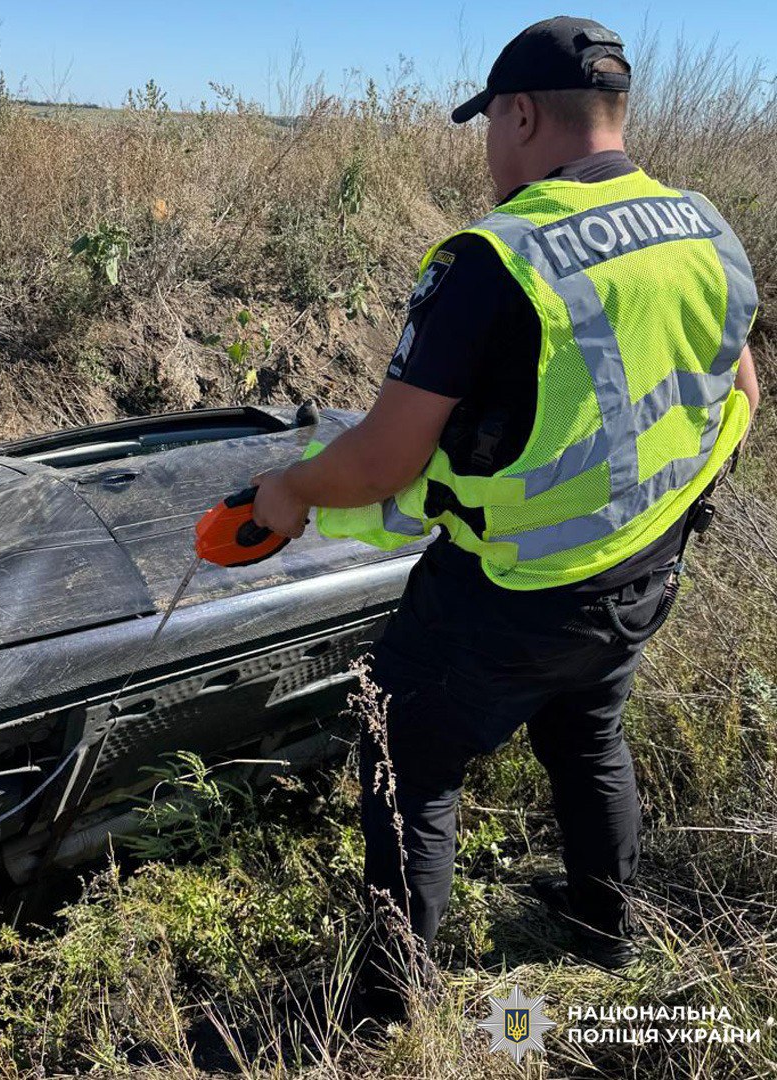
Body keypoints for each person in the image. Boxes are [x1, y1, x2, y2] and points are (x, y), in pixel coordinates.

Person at [250, 15, 760, 977]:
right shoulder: (704, 225)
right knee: (589, 737)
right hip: (643, 567)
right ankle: (607, 937)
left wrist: (289, 490)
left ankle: (384, 1003)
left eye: (490, 123)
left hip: (512, 589)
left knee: (409, 759)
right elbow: (741, 397)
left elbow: (382, 463)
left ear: (521, 114)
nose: (489, 148)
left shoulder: (493, 258)